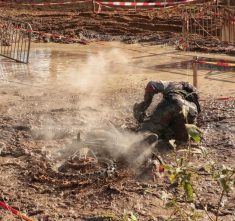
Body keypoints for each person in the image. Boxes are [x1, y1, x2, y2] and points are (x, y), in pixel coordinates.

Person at [133, 81, 201, 141]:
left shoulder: (174, 84)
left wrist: (145, 104)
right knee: (176, 135)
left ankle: (146, 135)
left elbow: (151, 85)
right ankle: (166, 137)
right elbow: (195, 118)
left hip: (173, 101)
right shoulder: (195, 101)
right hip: (190, 113)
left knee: (151, 127)